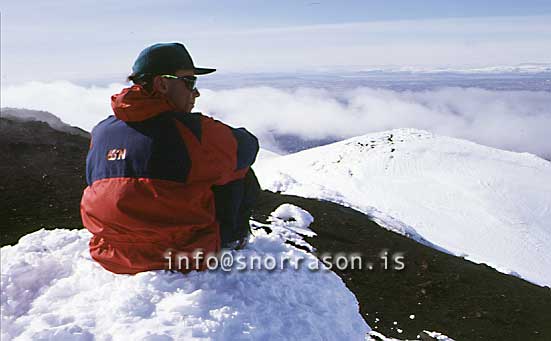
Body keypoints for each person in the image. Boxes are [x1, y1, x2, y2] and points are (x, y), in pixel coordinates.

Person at [80, 42, 260, 274]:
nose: (196, 92)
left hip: (110, 253)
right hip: (181, 254)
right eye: (189, 82)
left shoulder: (101, 130)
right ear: (162, 84)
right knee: (240, 170)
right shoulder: (193, 131)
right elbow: (248, 147)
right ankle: (234, 241)